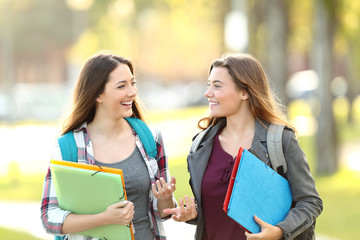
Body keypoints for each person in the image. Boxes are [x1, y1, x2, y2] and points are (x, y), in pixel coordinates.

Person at [163, 53, 323, 240]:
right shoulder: (201, 145)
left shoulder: (280, 141)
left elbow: (310, 202)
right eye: (209, 85)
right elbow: (219, 208)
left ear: (244, 92)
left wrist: (279, 230)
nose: (208, 93)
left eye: (217, 86)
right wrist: (194, 214)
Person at [41, 53, 176, 240]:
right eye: (122, 86)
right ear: (98, 94)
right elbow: (49, 217)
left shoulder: (150, 139)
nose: (132, 92)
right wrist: (104, 218)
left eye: (132, 83)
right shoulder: (69, 146)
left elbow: (163, 213)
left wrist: (165, 199)